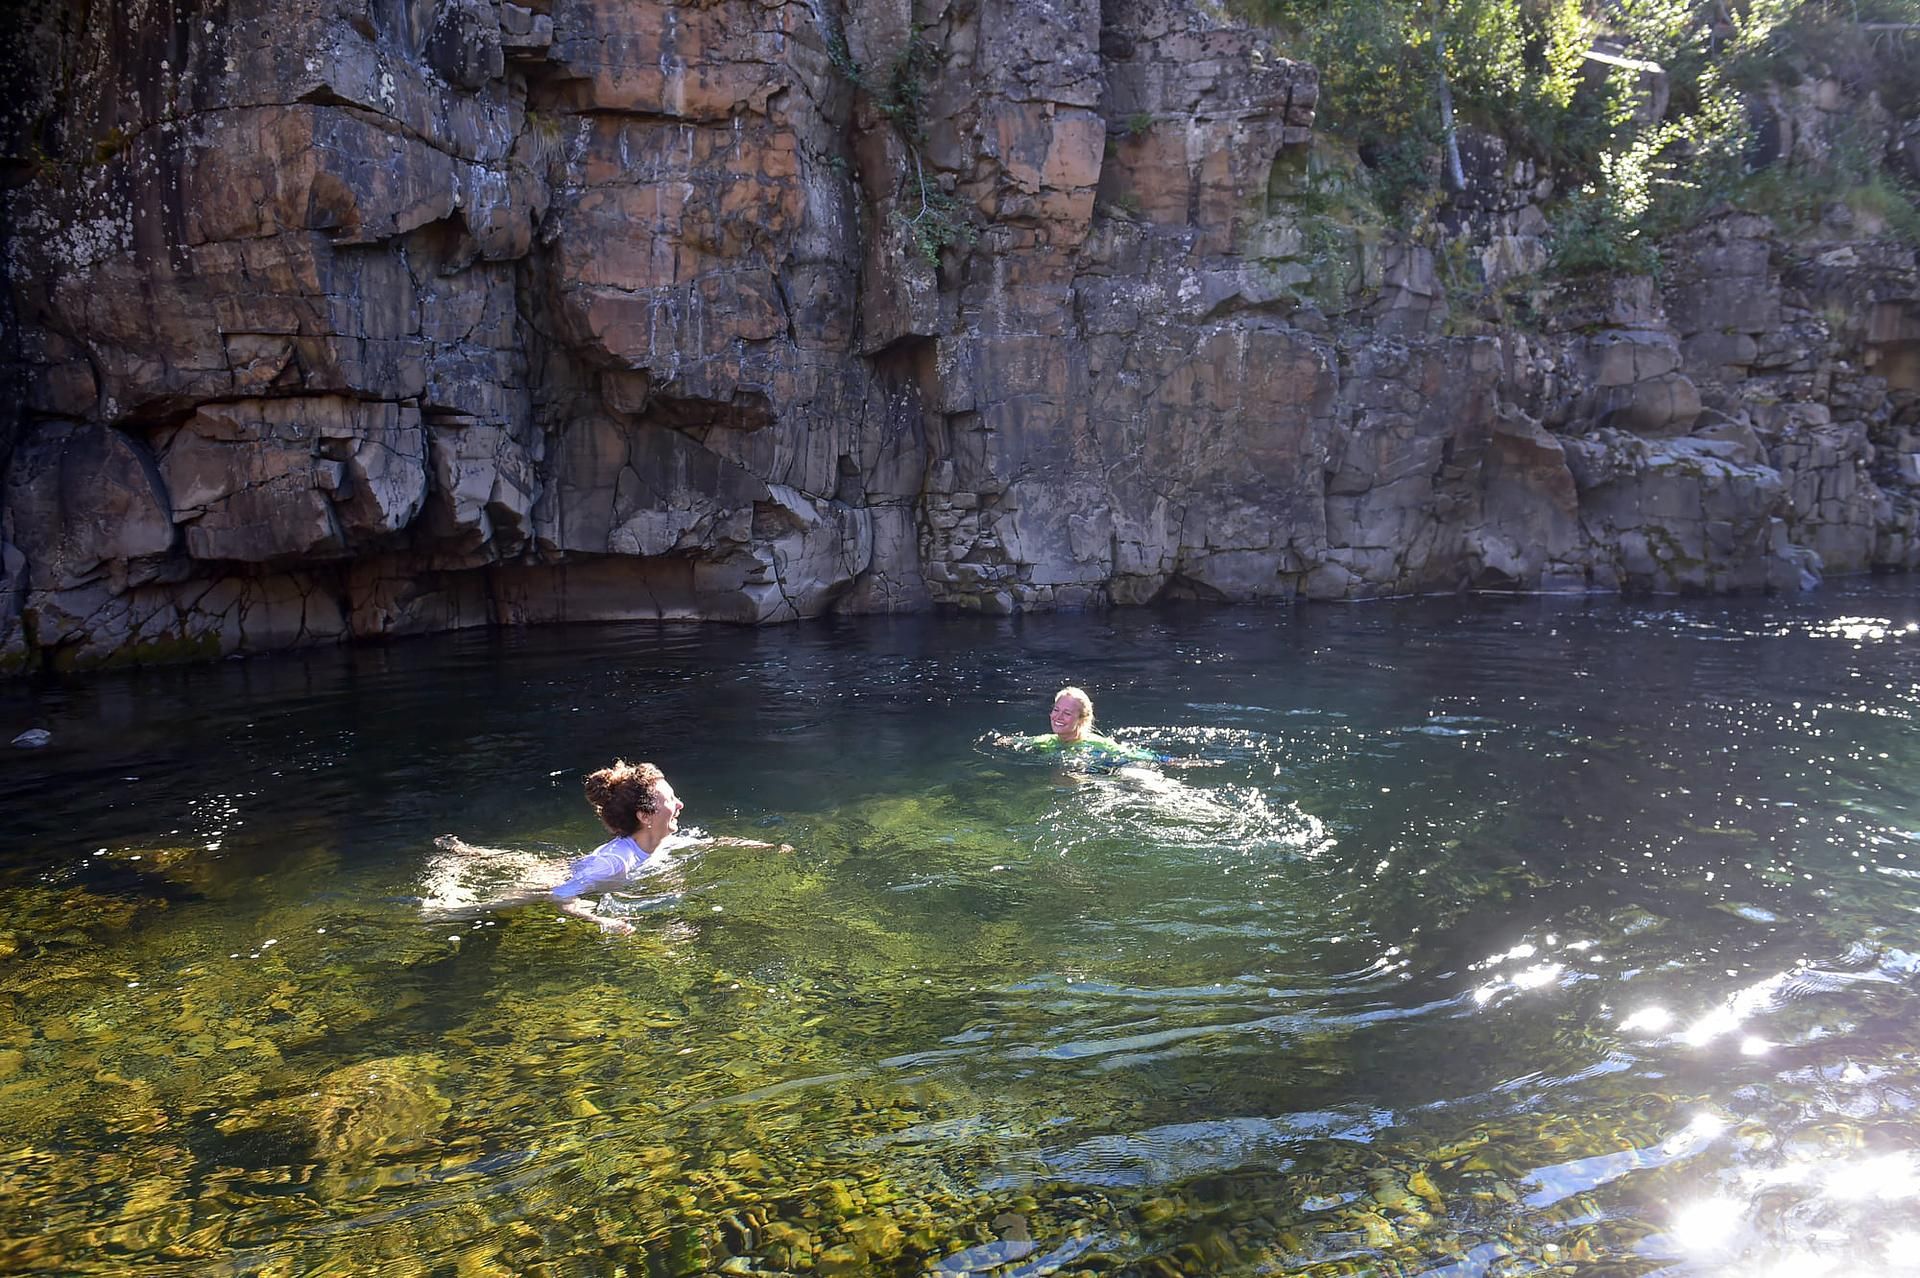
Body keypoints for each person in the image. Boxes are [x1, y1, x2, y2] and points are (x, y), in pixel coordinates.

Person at [1002, 686, 1172, 773]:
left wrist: (1171, 761)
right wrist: (1004, 741)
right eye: (1056, 710)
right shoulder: (1046, 741)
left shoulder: (1099, 744)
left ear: (1081, 719)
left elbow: (1134, 755)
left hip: (1118, 771)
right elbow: (1020, 741)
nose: (1058, 717)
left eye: (1067, 713)